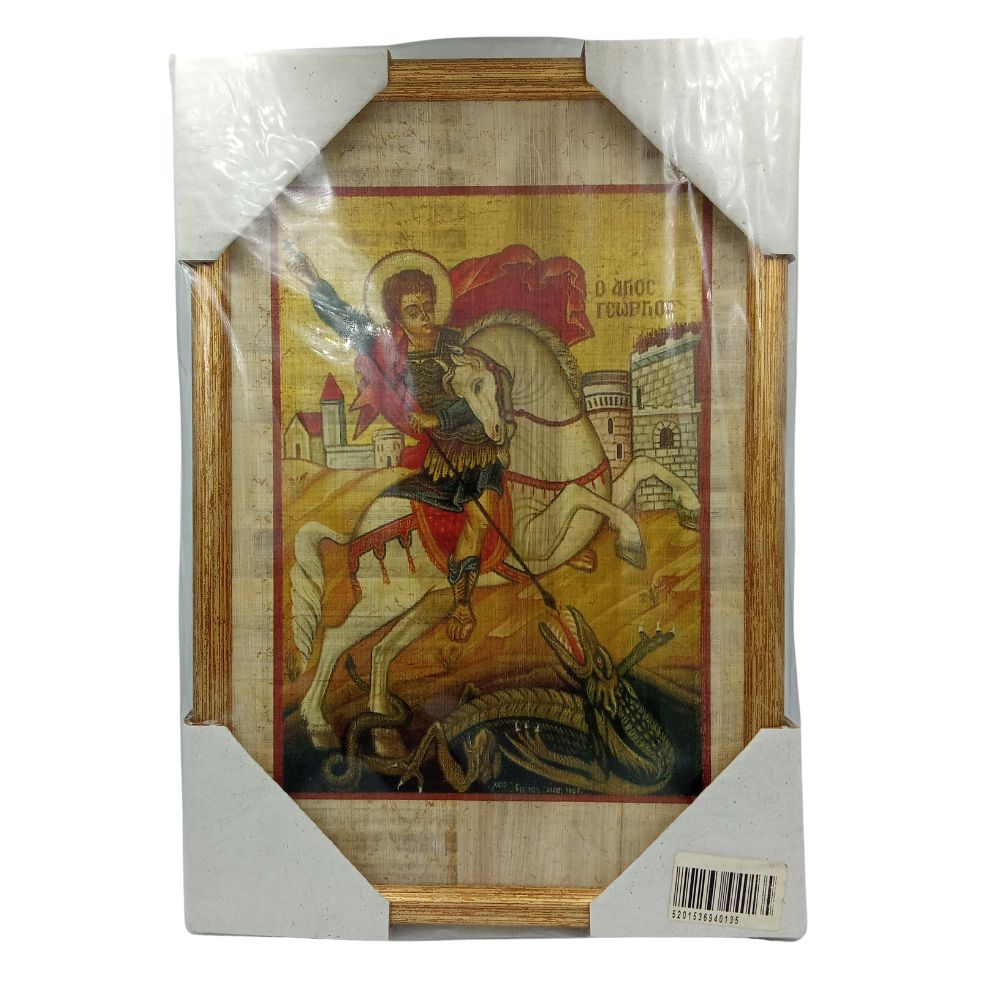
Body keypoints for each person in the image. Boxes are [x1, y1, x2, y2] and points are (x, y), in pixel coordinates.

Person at [283, 244, 508, 642]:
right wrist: (313, 282)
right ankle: (454, 596)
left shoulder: (458, 342)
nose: (425, 317)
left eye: (428, 307)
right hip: (442, 457)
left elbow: (488, 388)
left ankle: (469, 599)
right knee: (439, 512)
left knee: (485, 514)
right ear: (398, 319)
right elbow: (347, 322)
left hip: (480, 444)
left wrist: (441, 418)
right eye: (413, 311)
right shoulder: (393, 353)